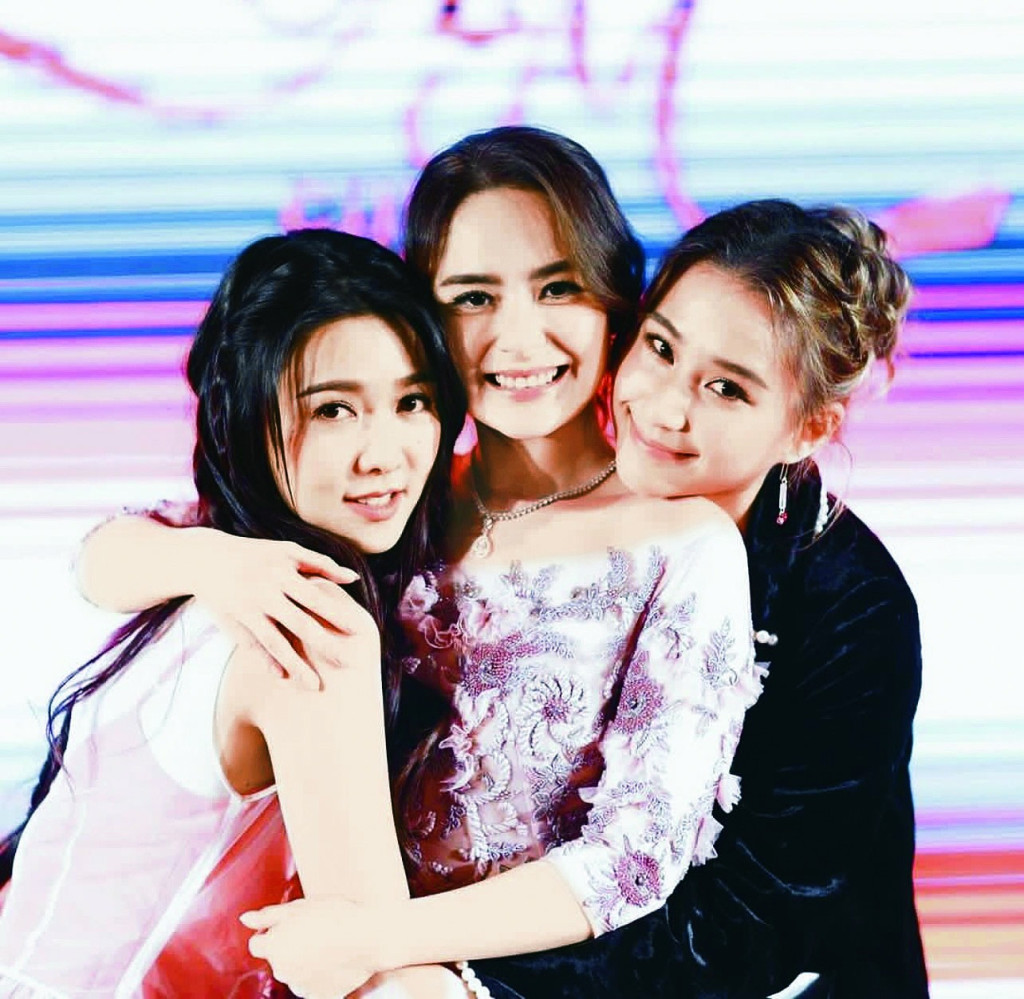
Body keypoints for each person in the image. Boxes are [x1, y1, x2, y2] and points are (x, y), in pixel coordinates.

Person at [72, 128, 760, 998]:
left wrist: (379, 939)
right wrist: (211, 560)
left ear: (614, 299)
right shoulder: (396, 489)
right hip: (314, 965)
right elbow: (103, 559)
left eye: (558, 287)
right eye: (474, 297)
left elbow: (639, 856)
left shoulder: (685, 544)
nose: (519, 337)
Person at [463, 200, 929, 997]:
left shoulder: (854, 608)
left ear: (809, 428)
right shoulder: (559, 495)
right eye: (660, 347)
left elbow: (750, 923)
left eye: (727, 389)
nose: (664, 407)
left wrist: (463, 976)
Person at [0, 228, 470, 998]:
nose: (384, 453)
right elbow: (368, 962)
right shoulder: (307, 623)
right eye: (333, 410)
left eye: (411, 401)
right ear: (246, 415)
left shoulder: (212, 559)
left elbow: (97, 559)